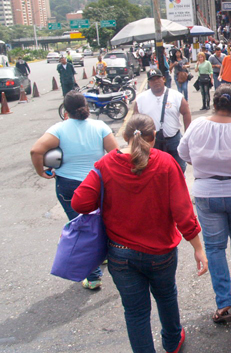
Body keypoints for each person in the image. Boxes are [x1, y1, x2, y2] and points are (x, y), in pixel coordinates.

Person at [72, 114, 207, 353]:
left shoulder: (105, 165)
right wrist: (197, 248)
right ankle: (172, 341)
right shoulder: (165, 163)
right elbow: (183, 211)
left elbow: (79, 203)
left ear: (124, 137)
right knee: (166, 297)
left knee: (135, 312)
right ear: (154, 137)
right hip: (161, 252)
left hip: (121, 254)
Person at [178, 85, 231, 325]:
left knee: (214, 247)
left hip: (207, 193)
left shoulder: (196, 125)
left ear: (215, 105)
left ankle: (223, 302)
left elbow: (184, 154)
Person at [30, 91, 118, 289]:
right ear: (85, 106)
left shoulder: (58, 129)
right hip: (97, 184)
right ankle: (108, 259)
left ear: (66, 110)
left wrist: (40, 172)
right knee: (103, 221)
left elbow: (36, 150)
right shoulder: (100, 126)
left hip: (69, 186)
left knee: (81, 227)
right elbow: (115, 155)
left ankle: (94, 277)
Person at [134, 68, 191, 172]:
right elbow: (135, 120)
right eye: (152, 80)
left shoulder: (176, 96)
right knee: (155, 171)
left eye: (158, 79)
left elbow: (186, 112)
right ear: (148, 83)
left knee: (179, 169)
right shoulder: (141, 99)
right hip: (152, 142)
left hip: (174, 140)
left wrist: (187, 135)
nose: (156, 82)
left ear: (163, 79)